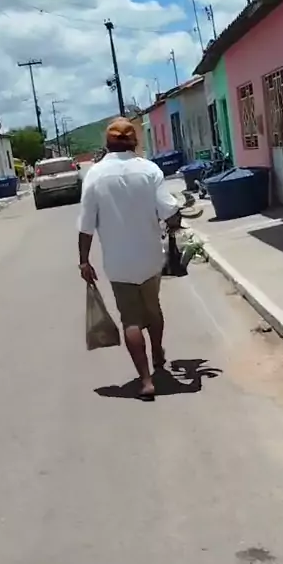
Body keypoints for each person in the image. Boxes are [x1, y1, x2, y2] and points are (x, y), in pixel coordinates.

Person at [78, 117, 180, 401]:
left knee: (131, 320)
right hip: (150, 257)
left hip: (118, 263)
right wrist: (176, 222)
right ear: (134, 141)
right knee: (153, 309)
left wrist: (84, 260)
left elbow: (86, 225)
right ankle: (157, 351)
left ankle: (146, 381)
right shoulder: (149, 170)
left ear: (107, 143)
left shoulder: (95, 175)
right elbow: (169, 210)